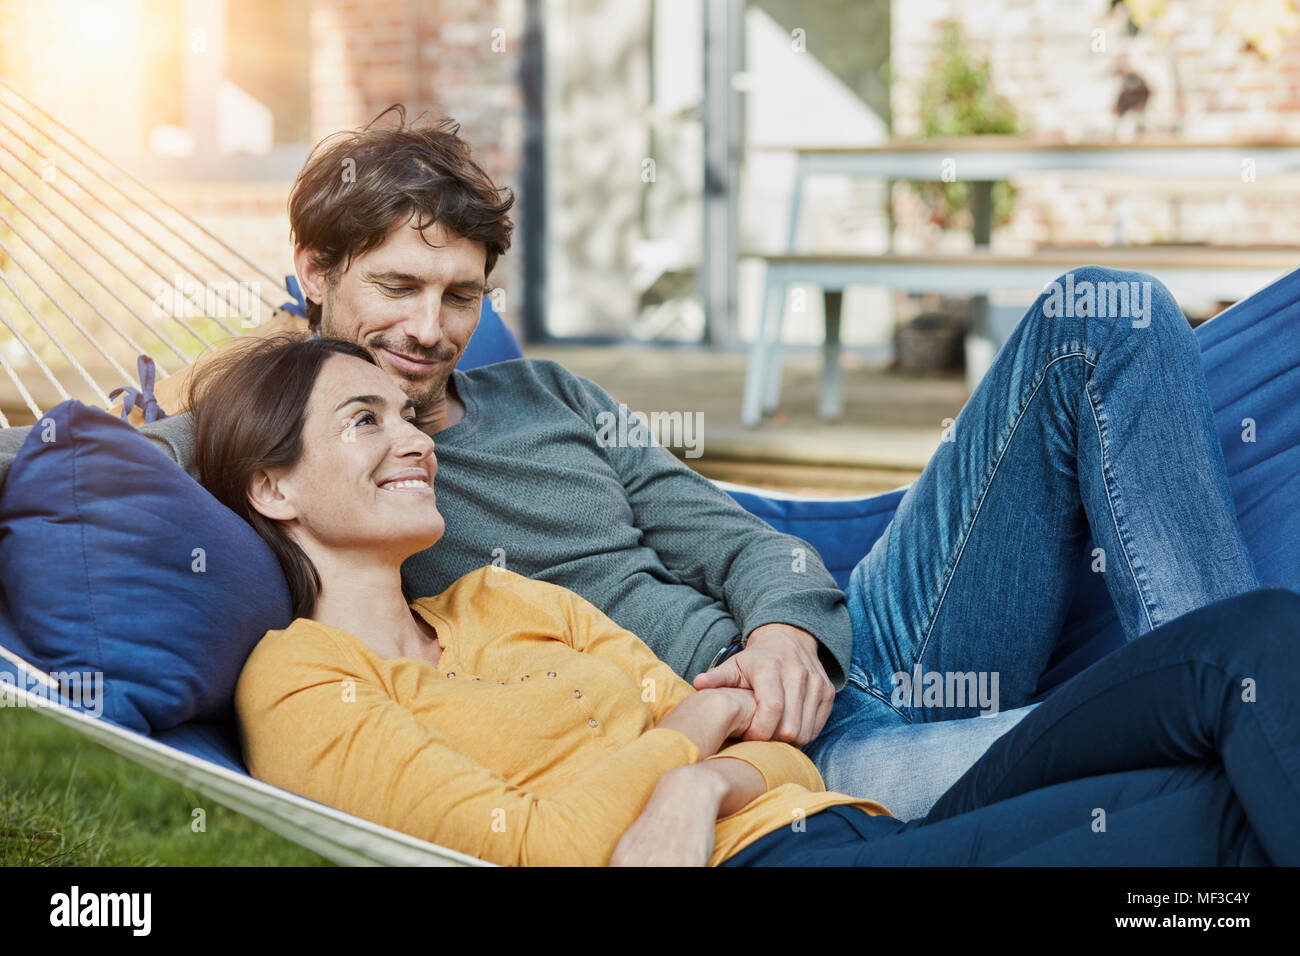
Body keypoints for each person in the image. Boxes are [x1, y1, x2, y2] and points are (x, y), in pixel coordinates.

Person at [0, 107, 1266, 818]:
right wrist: (209, 387)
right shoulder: (296, 448)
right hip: (766, 756)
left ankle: (1193, 653)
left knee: (1101, 308)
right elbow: (97, 465)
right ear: (313, 274)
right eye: (393, 285)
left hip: (863, 643)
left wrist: (788, 629)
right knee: (1195, 778)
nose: (426, 331)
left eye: (458, 293)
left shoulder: (547, 394)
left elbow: (728, 532)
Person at [193, 333, 1296, 866]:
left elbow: (785, 757)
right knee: (1219, 804)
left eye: (407, 415)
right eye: (364, 421)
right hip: (768, 862)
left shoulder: (501, 598)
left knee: (1250, 655)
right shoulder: (301, 674)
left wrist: (708, 765)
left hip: (825, 813)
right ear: (271, 483)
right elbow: (538, 848)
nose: (413, 440)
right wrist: (702, 721)